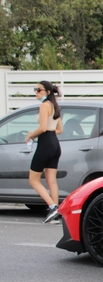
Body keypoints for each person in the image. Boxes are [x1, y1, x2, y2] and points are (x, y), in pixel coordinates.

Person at [26, 81, 63, 223]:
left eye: (38, 89)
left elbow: (42, 128)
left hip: (45, 143)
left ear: (47, 92)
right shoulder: (54, 106)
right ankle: (56, 213)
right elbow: (59, 129)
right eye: (35, 89)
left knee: (33, 180)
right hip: (54, 143)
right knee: (51, 181)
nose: (36, 92)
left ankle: (52, 207)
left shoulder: (44, 106)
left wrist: (31, 135)